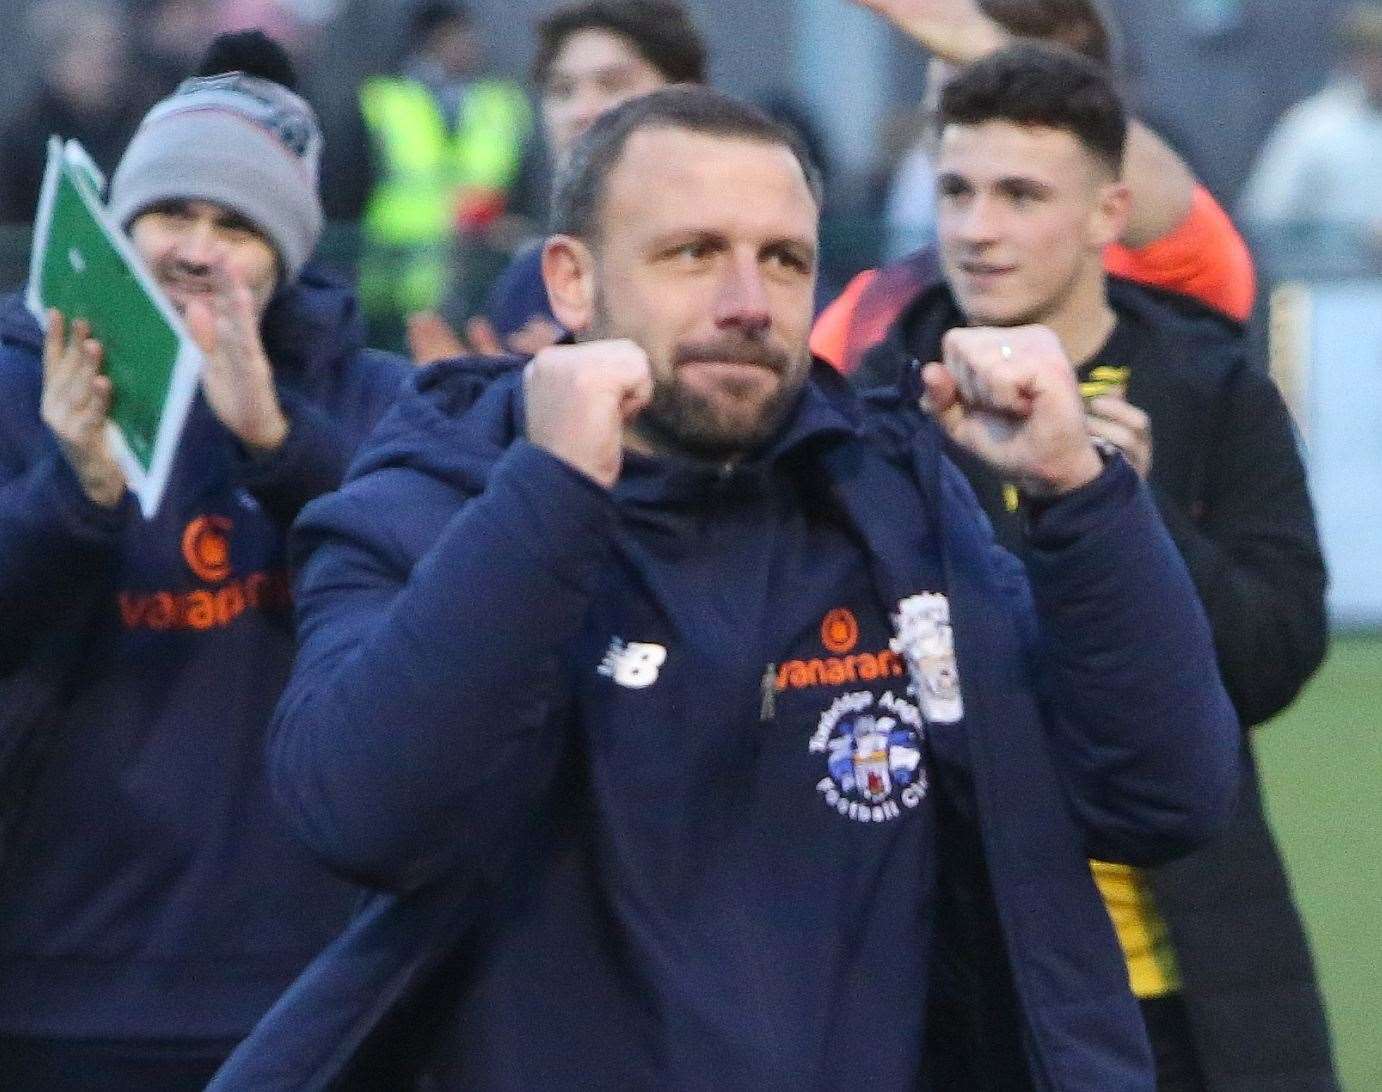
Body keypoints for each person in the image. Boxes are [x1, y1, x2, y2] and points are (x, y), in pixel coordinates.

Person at [208, 86, 1238, 1090]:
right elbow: (357, 814)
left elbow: (1161, 794)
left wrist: (1078, 498)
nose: (746, 305)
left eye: (782, 261)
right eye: (692, 254)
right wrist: (550, 495)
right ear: (571, 281)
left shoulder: (891, 505)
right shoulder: (432, 503)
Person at [854, 43, 1335, 1090]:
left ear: (1106, 216)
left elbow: (1271, 659)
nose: (976, 229)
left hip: (1190, 979)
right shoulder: (877, 402)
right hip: (961, 979)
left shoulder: (1207, 387)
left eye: (1019, 194)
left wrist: (1123, 505)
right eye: (955, 190)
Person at [0, 32, 409, 1090]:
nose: (195, 247)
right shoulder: (15, 385)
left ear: (290, 250)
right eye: (170, 214)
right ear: (118, 224)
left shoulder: (370, 400)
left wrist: (281, 446)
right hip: (56, 976)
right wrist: (72, 495)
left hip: (313, 985)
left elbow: (450, 611)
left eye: (237, 225)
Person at [812, 0, 1257, 376]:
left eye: (1020, 192)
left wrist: (984, 46)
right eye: (947, 111)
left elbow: (1171, 211)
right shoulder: (877, 310)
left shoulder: (1166, 281)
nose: (979, 230)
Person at [406, 0, 707, 362]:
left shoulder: (734, 254)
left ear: (686, 96)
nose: (581, 111)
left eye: (612, 84)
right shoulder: (531, 280)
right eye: (562, 90)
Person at [356, 0, 533, 333]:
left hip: (480, 278)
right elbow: (350, 183)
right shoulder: (385, 98)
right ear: (431, 40)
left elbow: (520, 183)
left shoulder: (498, 102)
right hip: (396, 282)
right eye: (456, 36)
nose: (467, 46)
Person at [1238, 2, 1382, 274]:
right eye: (1374, 54)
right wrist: (1352, 240)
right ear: (1355, 59)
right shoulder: (1313, 128)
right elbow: (1263, 225)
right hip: (1333, 292)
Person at [0, 0, 155, 225]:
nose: (106, 65)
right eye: (90, 51)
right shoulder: (21, 140)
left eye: (111, 51)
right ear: (56, 60)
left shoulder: (138, 120)